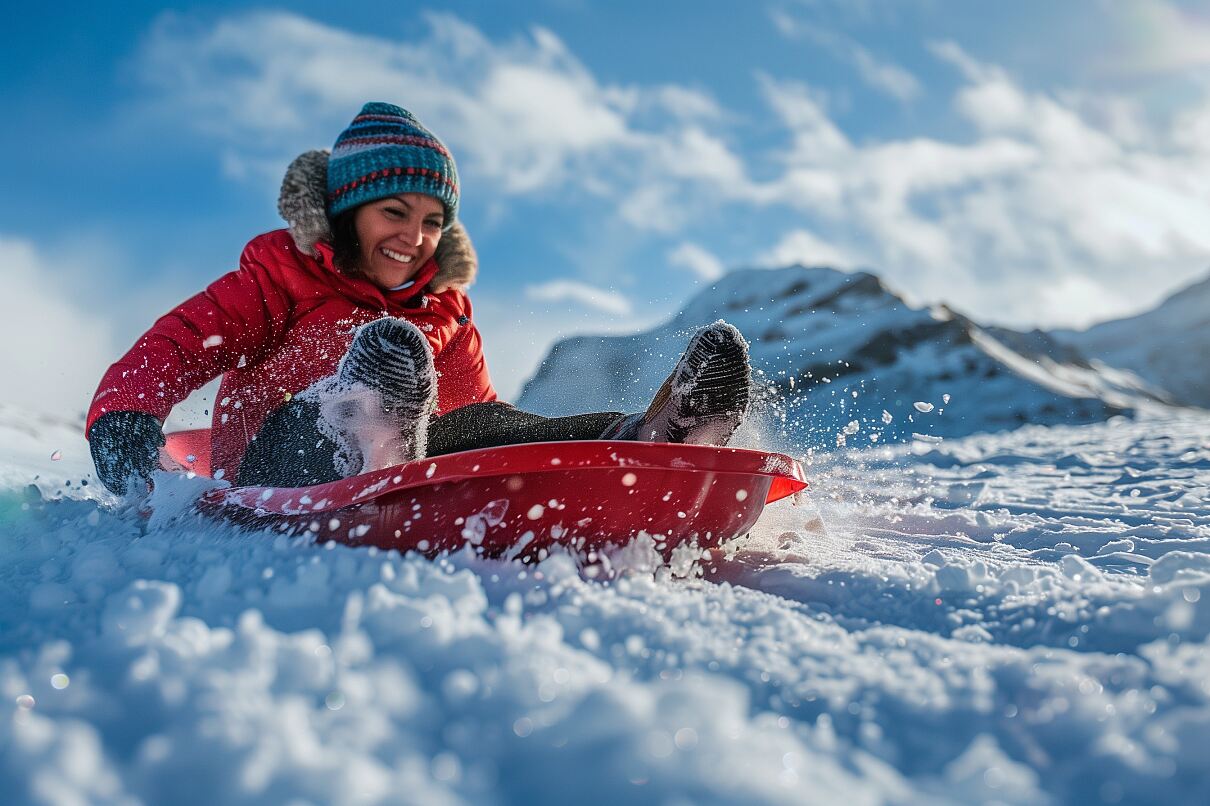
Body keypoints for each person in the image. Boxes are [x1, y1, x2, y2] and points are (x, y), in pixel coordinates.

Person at [87, 102, 752, 495]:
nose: (415, 238)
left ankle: (655, 436)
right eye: (395, 213)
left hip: (411, 452)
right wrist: (124, 416)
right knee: (321, 405)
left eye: (433, 221)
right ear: (347, 211)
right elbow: (175, 346)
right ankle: (368, 435)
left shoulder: (442, 309)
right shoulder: (278, 276)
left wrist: (517, 442)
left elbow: (477, 414)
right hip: (276, 459)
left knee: (485, 424)